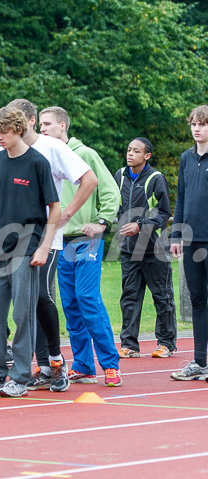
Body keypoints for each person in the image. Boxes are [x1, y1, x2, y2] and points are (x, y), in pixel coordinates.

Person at [0, 106, 61, 398]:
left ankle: (20, 376)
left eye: (4, 132)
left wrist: (44, 247)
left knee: (23, 313)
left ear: (18, 129)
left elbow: (54, 208)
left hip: (27, 245)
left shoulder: (37, 162)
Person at [7, 99, 98, 392]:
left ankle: (57, 363)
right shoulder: (4, 148)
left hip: (47, 237)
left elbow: (90, 179)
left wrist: (67, 214)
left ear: (30, 121)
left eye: (18, 122)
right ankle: (43, 365)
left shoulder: (53, 147)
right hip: (14, 238)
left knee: (42, 297)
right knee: (25, 302)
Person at [39, 106, 122, 387]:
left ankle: (110, 364)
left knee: (87, 298)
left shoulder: (84, 153)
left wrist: (102, 222)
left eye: (47, 124)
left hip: (86, 239)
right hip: (61, 240)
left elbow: (110, 189)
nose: (42, 129)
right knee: (71, 304)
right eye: (40, 124)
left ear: (63, 126)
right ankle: (84, 365)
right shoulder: (44, 156)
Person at [114, 137, 177, 359]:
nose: (130, 154)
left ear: (147, 156)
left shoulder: (155, 178)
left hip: (154, 248)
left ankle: (166, 343)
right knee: (129, 296)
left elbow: (163, 213)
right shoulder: (120, 175)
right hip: (129, 249)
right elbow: (117, 206)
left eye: (136, 151)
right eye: (129, 149)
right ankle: (129, 344)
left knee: (162, 296)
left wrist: (140, 225)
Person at [170, 105, 208, 381]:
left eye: (202, 124)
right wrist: (176, 235)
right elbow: (181, 199)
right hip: (193, 240)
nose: (197, 128)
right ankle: (199, 361)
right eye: (193, 124)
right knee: (197, 300)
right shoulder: (186, 158)